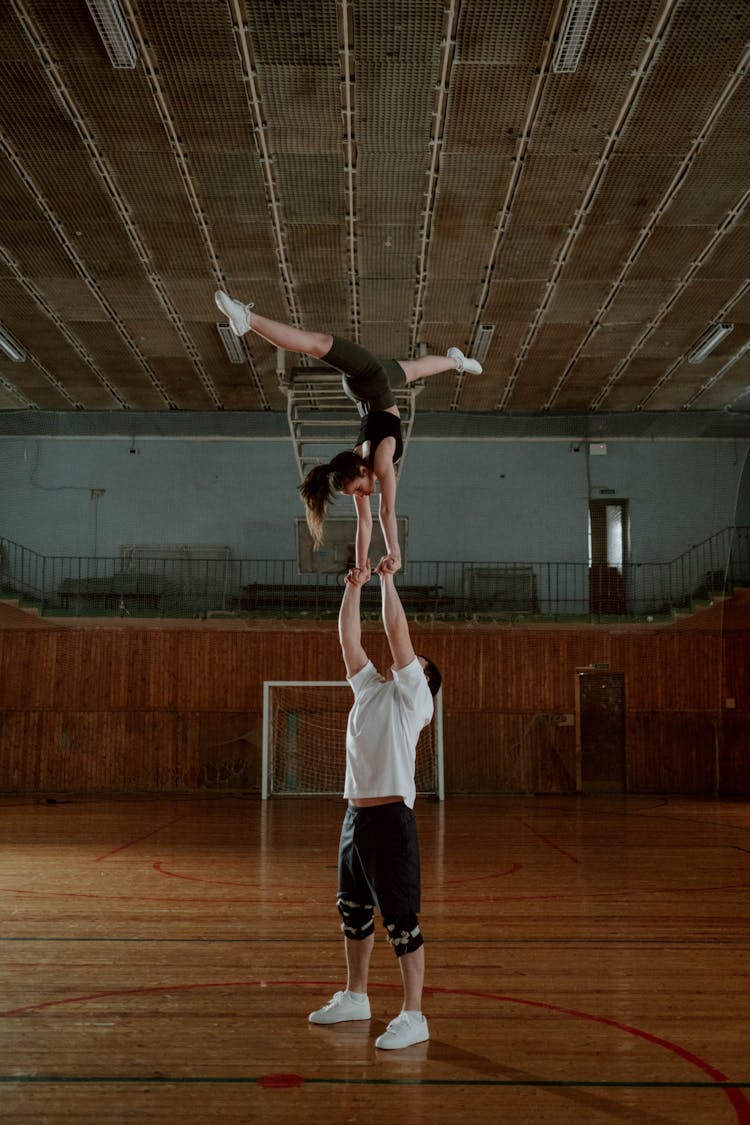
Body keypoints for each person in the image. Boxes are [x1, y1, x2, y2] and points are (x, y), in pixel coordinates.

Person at [214, 290, 482, 573]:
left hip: (369, 381)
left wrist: (395, 553)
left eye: (357, 489)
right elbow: (365, 522)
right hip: (367, 390)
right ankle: (458, 362)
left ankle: (248, 319)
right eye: (355, 493)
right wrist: (361, 565)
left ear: (362, 473)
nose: (362, 494)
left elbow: (387, 512)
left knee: (317, 344)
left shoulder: (377, 461)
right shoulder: (359, 464)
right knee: (414, 370)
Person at [307, 554, 442, 1050]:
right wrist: (353, 587)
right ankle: (356, 996)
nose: (410, 659)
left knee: (401, 920)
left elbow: (396, 634)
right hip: (355, 816)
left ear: (425, 682)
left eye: (418, 663)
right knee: (354, 912)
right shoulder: (370, 690)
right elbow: (349, 641)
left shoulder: (416, 700)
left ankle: (414, 1014)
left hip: (390, 818)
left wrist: (386, 580)